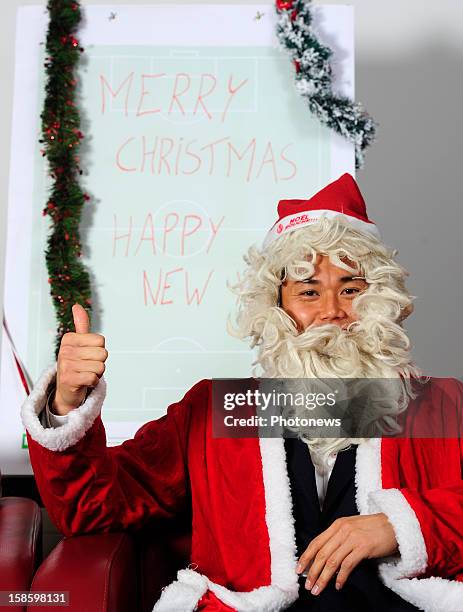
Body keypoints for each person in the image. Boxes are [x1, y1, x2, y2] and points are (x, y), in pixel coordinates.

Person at [21, 174, 463, 611]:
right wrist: (67, 404)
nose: (332, 311)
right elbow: (95, 510)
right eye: (309, 291)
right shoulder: (223, 411)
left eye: (351, 289)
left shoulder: (441, 406)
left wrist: (403, 524)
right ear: (275, 307)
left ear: (380, 298)